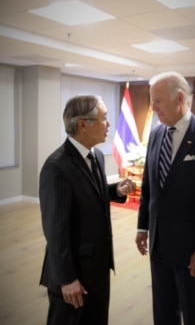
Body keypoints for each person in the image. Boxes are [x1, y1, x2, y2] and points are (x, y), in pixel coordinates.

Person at [135, 71, 195, 325]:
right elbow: (149, 187)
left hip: (191, 252)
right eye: (151, 101)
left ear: (180, 98)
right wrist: (143, 226)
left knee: (192, 313)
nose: (153, 108)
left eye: (158, 101)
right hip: (157, 245)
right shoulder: (156, 134)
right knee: (163, 312)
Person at [39, 94, 135, 325]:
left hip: (98, 266)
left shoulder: (97, 156)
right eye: (104, 118)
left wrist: (116, 191)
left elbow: (91, 193)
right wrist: (67, 278)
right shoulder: (56, 167)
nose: (109, 124)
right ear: (83, 124)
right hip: (73, 275)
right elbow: (55, 231)